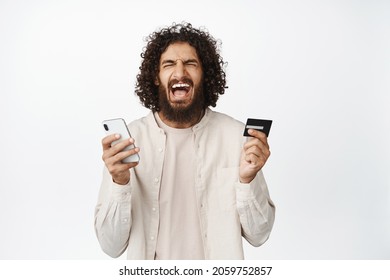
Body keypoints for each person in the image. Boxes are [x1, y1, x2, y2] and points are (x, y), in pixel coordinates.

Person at [94, 22, 275, 260]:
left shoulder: (235, 137)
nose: (180, 73)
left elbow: (259, 235)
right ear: (157, 77)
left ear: (205, 75)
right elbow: (111, 246)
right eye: (169, 64)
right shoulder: (128, 142)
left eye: (191, 64)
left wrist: (247, 180)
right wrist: (119, 182)